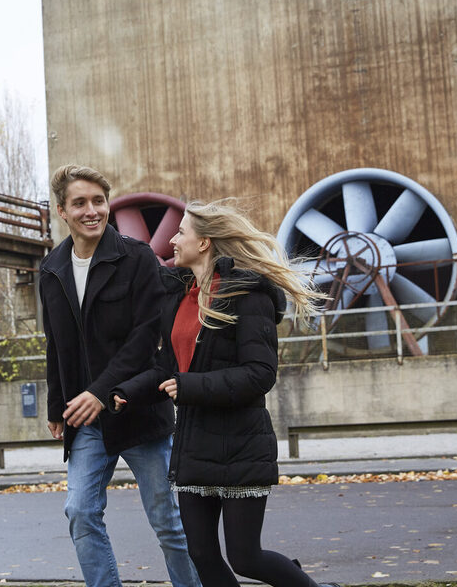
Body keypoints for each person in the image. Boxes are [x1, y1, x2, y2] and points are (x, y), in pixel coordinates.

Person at [111, 200, 337, 587]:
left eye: (181, 231)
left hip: (242, 443)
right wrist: (127, 392)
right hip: (195, 443)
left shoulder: (248, 295)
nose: (173, 238)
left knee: (246, 557)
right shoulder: (180, 298)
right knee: (200, 555)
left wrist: (189, 387)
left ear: (205, 243)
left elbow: (259, 374)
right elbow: (170, 371)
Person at [38, 164, 201, 587]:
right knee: (80, 511)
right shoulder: (52, 268)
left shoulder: (137, 257)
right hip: (86, 419)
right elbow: (55, 343)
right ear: (62, 211)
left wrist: (98, 390)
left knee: (169, 525)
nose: (92, 210)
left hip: (140, 412)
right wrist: (58, 405)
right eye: (80, 203)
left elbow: (146, 338)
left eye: (98, 201)